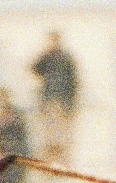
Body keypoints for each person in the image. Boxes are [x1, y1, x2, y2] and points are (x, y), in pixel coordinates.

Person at [31, 30, 80, 160]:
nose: (53, 43)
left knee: (62, 131)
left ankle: (62, 157)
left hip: (63, 100)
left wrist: (70, 102)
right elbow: (34, 69)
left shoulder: (66, 58)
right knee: (49, 130)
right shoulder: (47, 57)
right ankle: (50, 155)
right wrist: (44, 54)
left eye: (54, 40)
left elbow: (73, 80)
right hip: (49, 98)